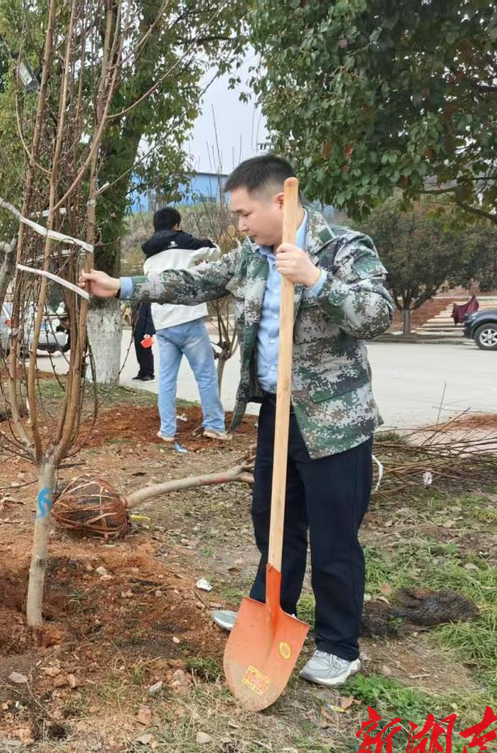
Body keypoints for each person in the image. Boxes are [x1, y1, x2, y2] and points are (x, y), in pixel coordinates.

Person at [81, 155, 395, 687]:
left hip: (334, 422)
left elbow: (378, 313)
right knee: (271, 517)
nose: (240, 225)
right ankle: (269, 607)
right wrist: (125, 287)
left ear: (280, 200)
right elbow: (197, 281)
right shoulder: (253, 258)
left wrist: (317, 280)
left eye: (245, 213)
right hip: (277, 410)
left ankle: (340, 643)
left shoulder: (343, 247)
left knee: (334, 532)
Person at [142, 207, 227, 442]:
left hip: (163, 324)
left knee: (167, 379)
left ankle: (167, 431)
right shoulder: (186, 242)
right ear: (177, 225)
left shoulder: (149, 254)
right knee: (206, 375)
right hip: (189, 318)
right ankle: (215, 425)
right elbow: (215, 252)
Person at [129, 300, 154, 381]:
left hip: (145, 331)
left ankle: (149, 374)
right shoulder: (137, 303)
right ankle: (142, 372)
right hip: (138, 330)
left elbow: (150, 317)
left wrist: (148, 332)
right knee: (139, 352)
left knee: (146, 352)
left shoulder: (147, 302)